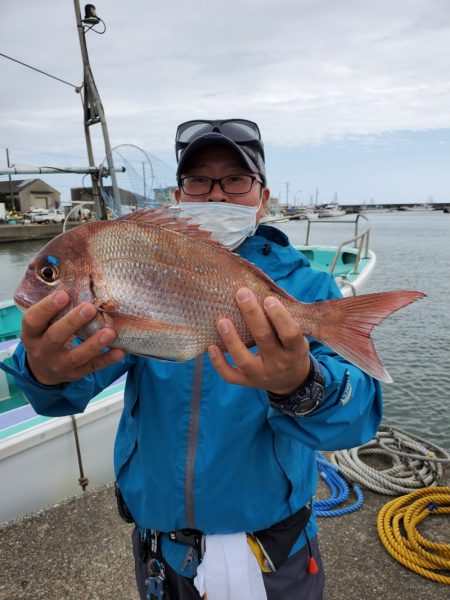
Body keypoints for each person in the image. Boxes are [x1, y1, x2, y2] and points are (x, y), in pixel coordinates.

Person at [11, 119, 382, 600]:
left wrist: (302, 383)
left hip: (273, 550)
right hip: (160, 551)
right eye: (199, 181)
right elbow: (63, 393)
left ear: (262, 197)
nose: (216, 195)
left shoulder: (307, 287)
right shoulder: (137, 268)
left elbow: (359, 417)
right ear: (178, 194)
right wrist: (42, 370)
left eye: (235, 180)